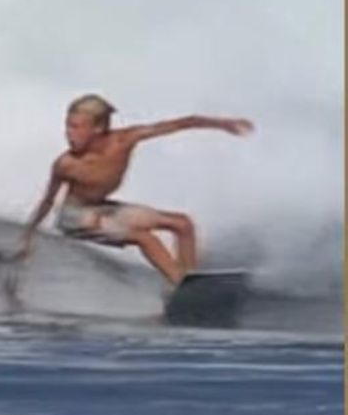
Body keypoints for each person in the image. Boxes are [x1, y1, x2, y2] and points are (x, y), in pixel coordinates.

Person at [13, 94, 253, 285]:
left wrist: (223, 124)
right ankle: (180, 284)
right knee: (144, 237)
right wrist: (28, 237)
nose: (68, 133)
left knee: (182, 223)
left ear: (98, 128)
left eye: (76, 127)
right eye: (68, 126)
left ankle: (188, 284)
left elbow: (178, 124)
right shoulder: (66, 164)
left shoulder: (124, 140)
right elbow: (48, 200)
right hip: (74, 217)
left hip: (103, 208)